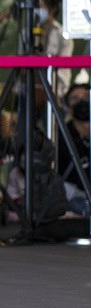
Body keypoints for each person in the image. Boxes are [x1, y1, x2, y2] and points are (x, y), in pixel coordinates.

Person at [34, 0, 74, 100]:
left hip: (54, 91)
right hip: (30, 91)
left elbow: (64, 66)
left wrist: (57, 92)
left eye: (41, 6)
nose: (37, 10)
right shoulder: (28, 33)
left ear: (52, 9)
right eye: (35, 7)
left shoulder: (63, 34)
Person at [60, 84, 90, 216]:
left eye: (86, 97)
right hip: (77, 196)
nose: (82, 101)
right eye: (75, 98)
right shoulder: (62, 136)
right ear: (68, 108)